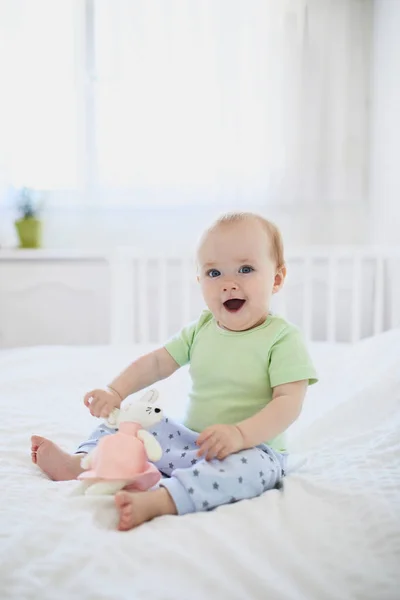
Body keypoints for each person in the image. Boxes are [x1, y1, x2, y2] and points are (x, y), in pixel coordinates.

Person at [31, 212, 317, 531]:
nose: (228, 283)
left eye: (246, 269)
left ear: (276, 279)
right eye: (214, 272)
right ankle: (82, 463)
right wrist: (116, 391)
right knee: (132, 421)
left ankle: (163, 500)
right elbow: (156, 363)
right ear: (200, 281)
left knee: (247, 472)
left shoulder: (282, 338)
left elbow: (288, 403)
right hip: (190, 442)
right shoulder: (201, 329)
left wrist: (240, 435)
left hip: (254, 449)